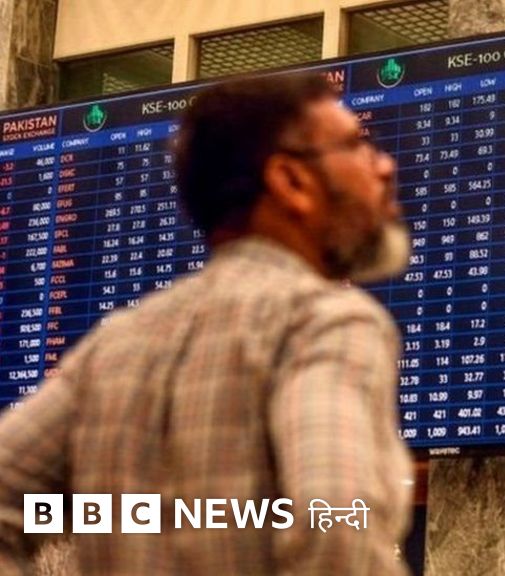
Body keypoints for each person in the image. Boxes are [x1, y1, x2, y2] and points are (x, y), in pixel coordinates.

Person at [0, 73, 414, 575]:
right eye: (355, 145)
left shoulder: (114, 347)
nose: (384, 166)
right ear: (291, 182)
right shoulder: (324, 323)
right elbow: (336, 522)